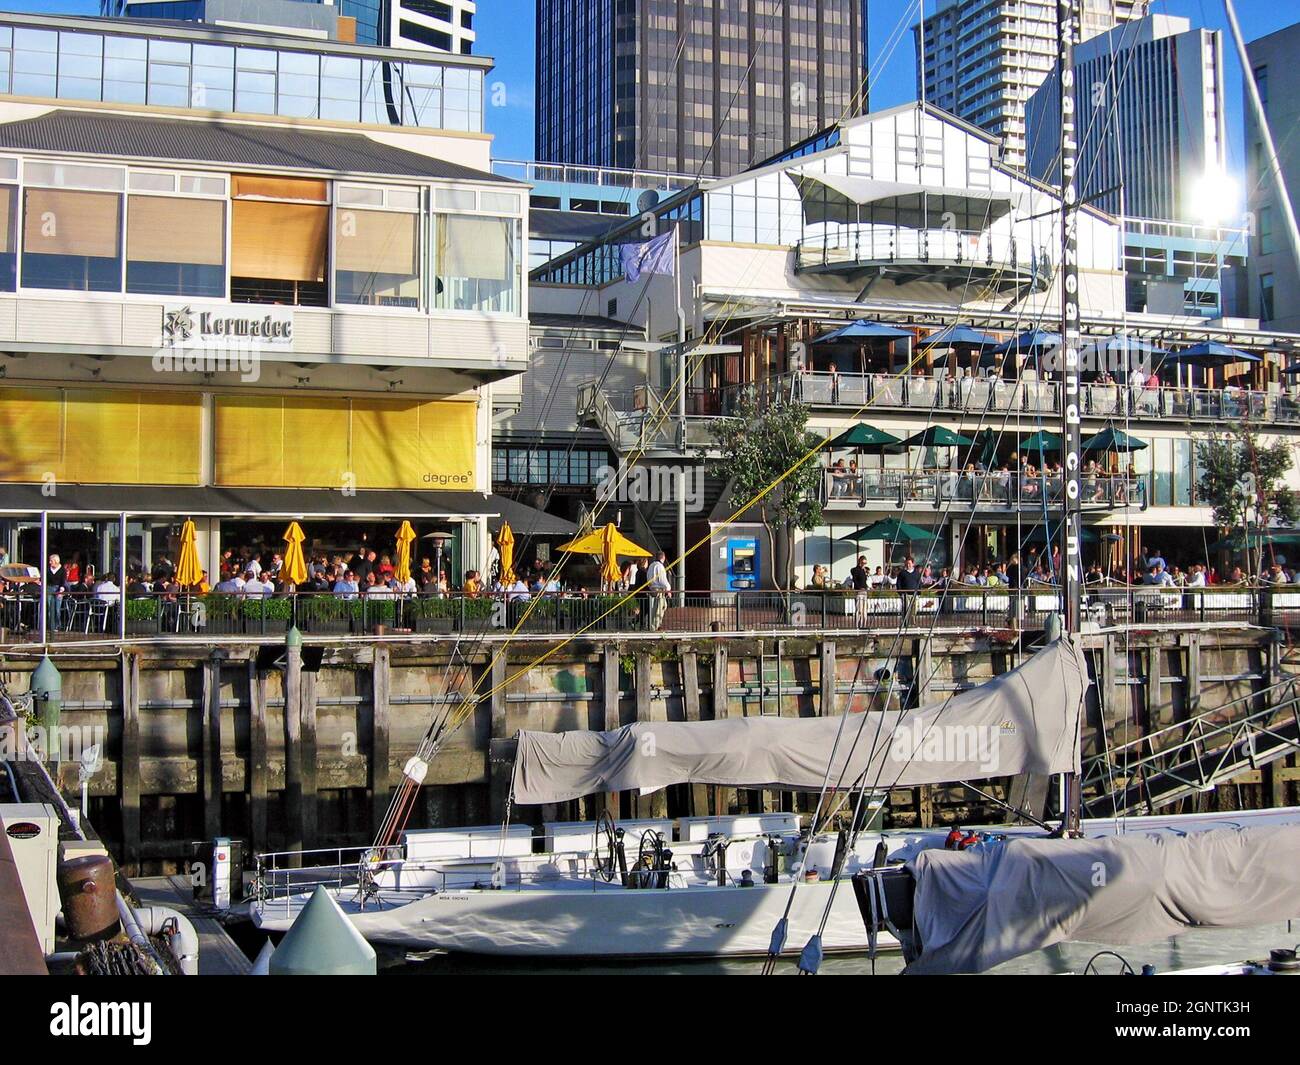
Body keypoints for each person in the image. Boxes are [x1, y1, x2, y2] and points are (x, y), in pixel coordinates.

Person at [645, 551, 672, 630]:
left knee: (662, 606)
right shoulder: (660, 566)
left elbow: (648, 577)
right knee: (658, 609)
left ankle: (656, 624)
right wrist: (668, 589)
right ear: (663, 558)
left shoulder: (651, 565)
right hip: (659, 589)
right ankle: (654, 626)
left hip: (652, 588)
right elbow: (662, 579)